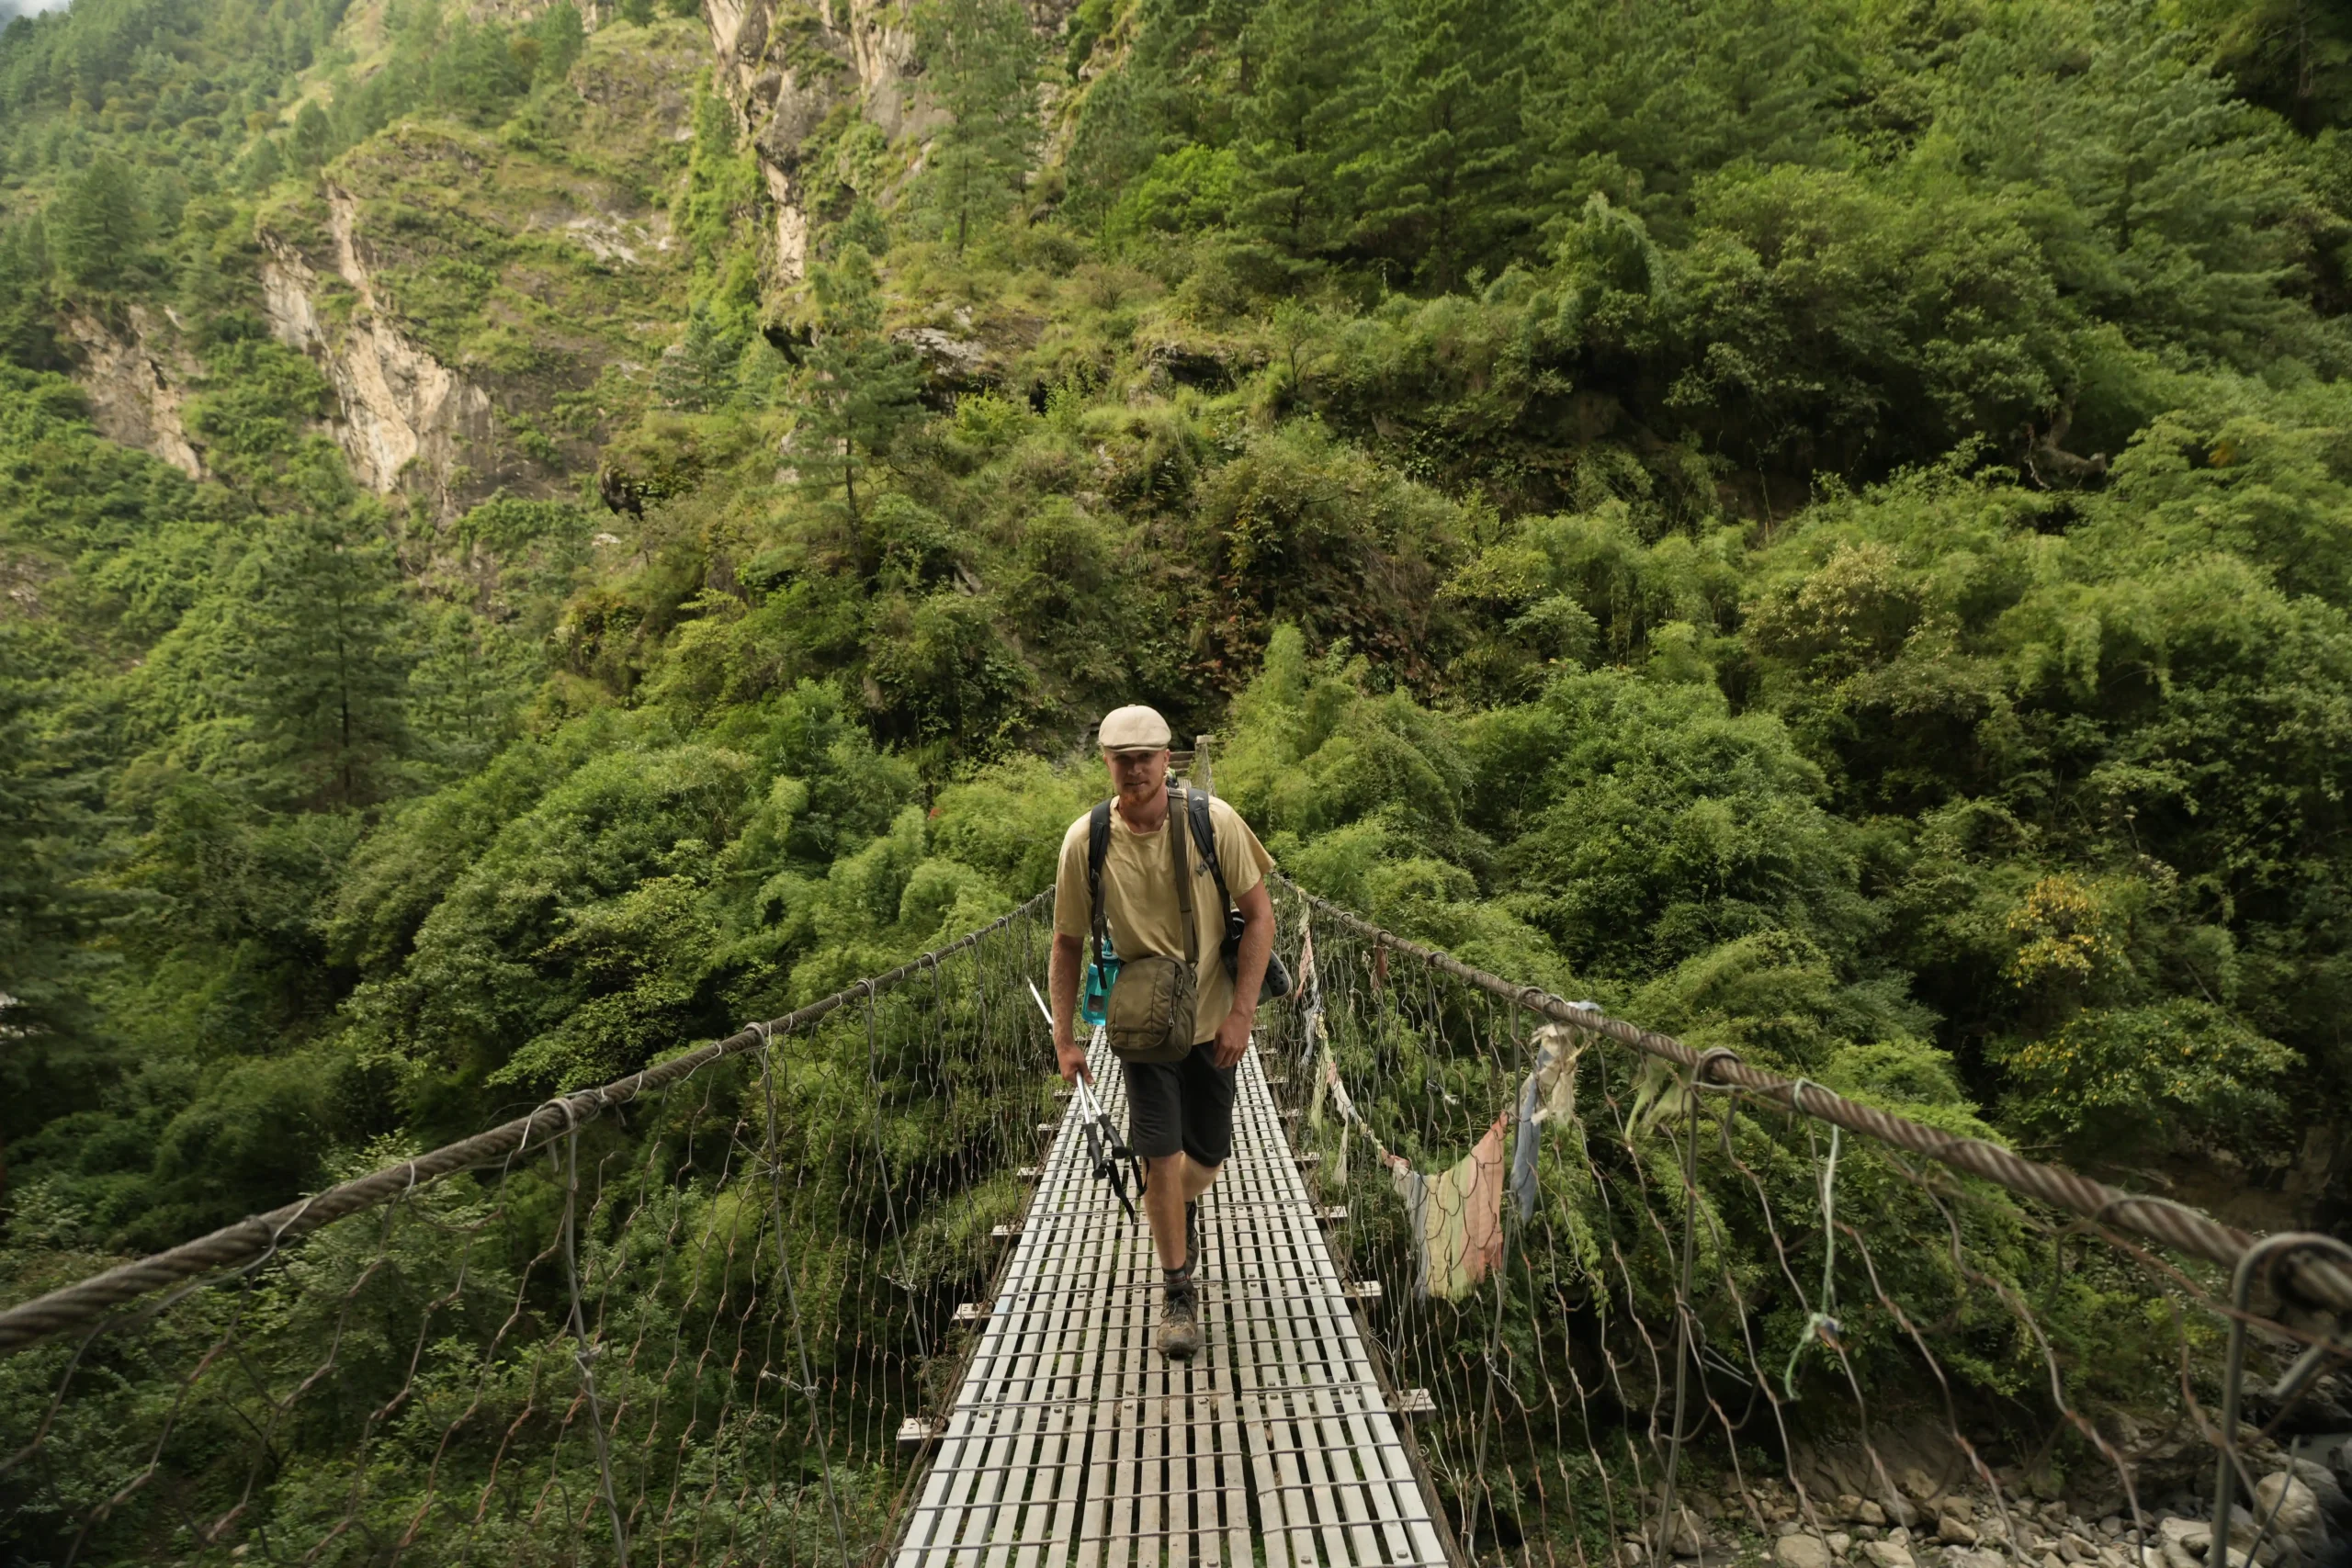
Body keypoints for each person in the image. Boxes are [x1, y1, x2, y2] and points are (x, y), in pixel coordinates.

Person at [1048, 705, 1275, 1359]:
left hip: (1212, 1022)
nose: (1136, 768)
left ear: (1168, 757)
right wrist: (1066, 1038)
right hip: (1144, 1026)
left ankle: (1175, 1203)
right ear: (1107, 763)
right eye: (1123, 757)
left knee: (1204, 1159)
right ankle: (1178, 1289)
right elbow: (1065, 942)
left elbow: (1260, 917)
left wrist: (1241, 1015)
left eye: (1147, 755)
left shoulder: (1214, 821)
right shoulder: (1085, 841)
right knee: (1160, 1158)